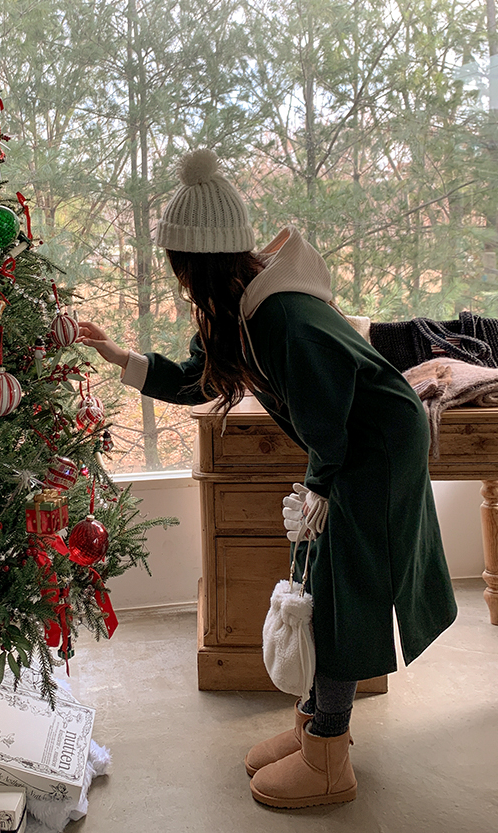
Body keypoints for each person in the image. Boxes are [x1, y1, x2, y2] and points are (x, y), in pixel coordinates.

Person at [77, 148, 458, 809]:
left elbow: (330, 424)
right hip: (351, 443)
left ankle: (328, 756)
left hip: (376, 450)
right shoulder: (240, 309)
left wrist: (320, 488)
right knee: (314, 578)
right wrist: (122, 357)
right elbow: (198, 379)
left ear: (198, 261)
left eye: (178, 263)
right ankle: (312, 727)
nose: (175, 278)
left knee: (337, 593)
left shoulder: (284, 316)